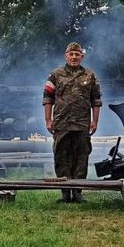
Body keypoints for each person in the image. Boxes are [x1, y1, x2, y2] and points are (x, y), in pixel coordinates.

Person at [43, 42, 102, 203]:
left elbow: (96, 101)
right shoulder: (55, 75)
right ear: (66, 55)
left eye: (77, 54)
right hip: (61, 123)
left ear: (82, 57)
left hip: (82, 124)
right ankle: (65, 193)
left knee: (81, 157)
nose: (74, 57)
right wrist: (48, 120)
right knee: (61, 157)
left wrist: (95, 121)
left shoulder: (90, 76)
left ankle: (77, 192)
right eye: (71, 54)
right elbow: (48, 98)